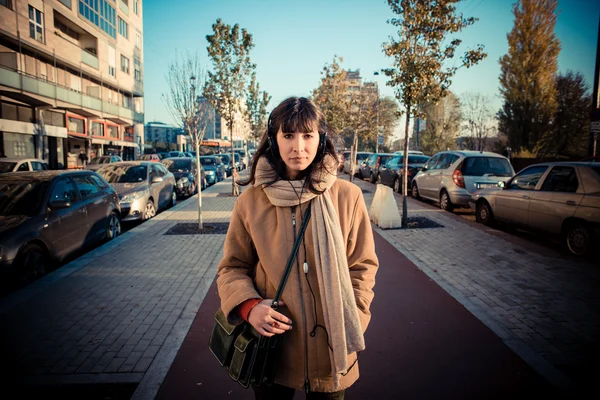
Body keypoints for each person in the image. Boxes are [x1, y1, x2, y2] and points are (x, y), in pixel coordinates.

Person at [216, 97, 379, 399]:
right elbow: (232, 268)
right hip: (273, 351)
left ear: (321, 139)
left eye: (308, 135)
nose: (298, 147)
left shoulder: (348, 197)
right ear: (274, 140)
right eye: (288, 135)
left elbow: (362, 266)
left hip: (332, 350)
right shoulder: (251, 201)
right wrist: (250, 308)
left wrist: (353, 316)